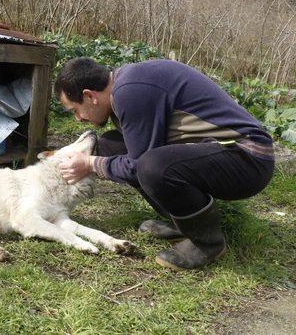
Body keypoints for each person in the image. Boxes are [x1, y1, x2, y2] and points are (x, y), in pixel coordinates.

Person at [54, 57, 275, 270]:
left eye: (75, 110)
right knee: (113, 145)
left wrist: (91, 164)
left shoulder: (130, 91)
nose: (79, 118)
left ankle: (207, 243)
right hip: (222, 153)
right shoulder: (125, 87)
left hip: (248, 156)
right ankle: (182, 222)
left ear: (90, 95)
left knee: (151, 166)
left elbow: (137, 165)